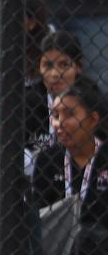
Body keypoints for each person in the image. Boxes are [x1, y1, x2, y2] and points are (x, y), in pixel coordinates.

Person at [30, 81, 108, 255]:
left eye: (70, 114)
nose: (60, 123)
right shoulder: (47, 160)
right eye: (56, 115)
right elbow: (40, 213)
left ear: (93, 119)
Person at [27, 31, 85, 162]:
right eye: (48, 65)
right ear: (39, 68)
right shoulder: (26, 102)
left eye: (64, 64)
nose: (55, 74)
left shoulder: (93, 104)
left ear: (78, 67)